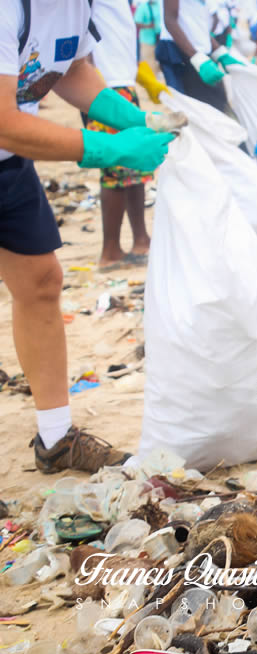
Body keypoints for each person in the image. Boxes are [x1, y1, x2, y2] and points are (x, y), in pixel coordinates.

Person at [1, 0, 174, 472]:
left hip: (7, 165)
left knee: (41, 283)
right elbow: (3, 119)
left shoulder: (78, 6)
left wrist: (131, 118)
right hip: (6, 137)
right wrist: (106, 146)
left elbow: (70, 71)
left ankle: (56, 440)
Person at [87, 0, 152, 270]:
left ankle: (141, 239)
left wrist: (141, 74)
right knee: (114, 168)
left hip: (123, 82)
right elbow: (82, 32)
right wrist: (92, 81)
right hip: (105, 88)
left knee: (134, 165)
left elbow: (119, 37)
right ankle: (110, 250)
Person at [157, 0, 241, 110]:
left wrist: (219, 52)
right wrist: (196, 57)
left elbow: (198, 26)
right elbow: (170, 20)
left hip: (200, 54)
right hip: (183, 54)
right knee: (197, 110)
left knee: (218, 105)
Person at [133, 0, 161, 74]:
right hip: (147, 41)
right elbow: (136, 22)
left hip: (160, 40)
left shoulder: (160, 5)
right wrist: (147, 26)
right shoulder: (143, 7)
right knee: (149, 65)